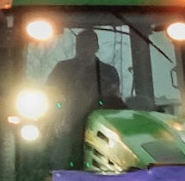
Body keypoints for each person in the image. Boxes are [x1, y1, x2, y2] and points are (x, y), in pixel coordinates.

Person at [45, 29, 126, 166]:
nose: (84, 49)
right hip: (65, 122)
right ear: (76, 47)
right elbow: (50, 94)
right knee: (54, 155)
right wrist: (60, 110)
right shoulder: (62, 69)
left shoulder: (107, 72)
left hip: (99, 123)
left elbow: (113, 99)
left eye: (88, 45)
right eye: (81, 45)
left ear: (96, 48)